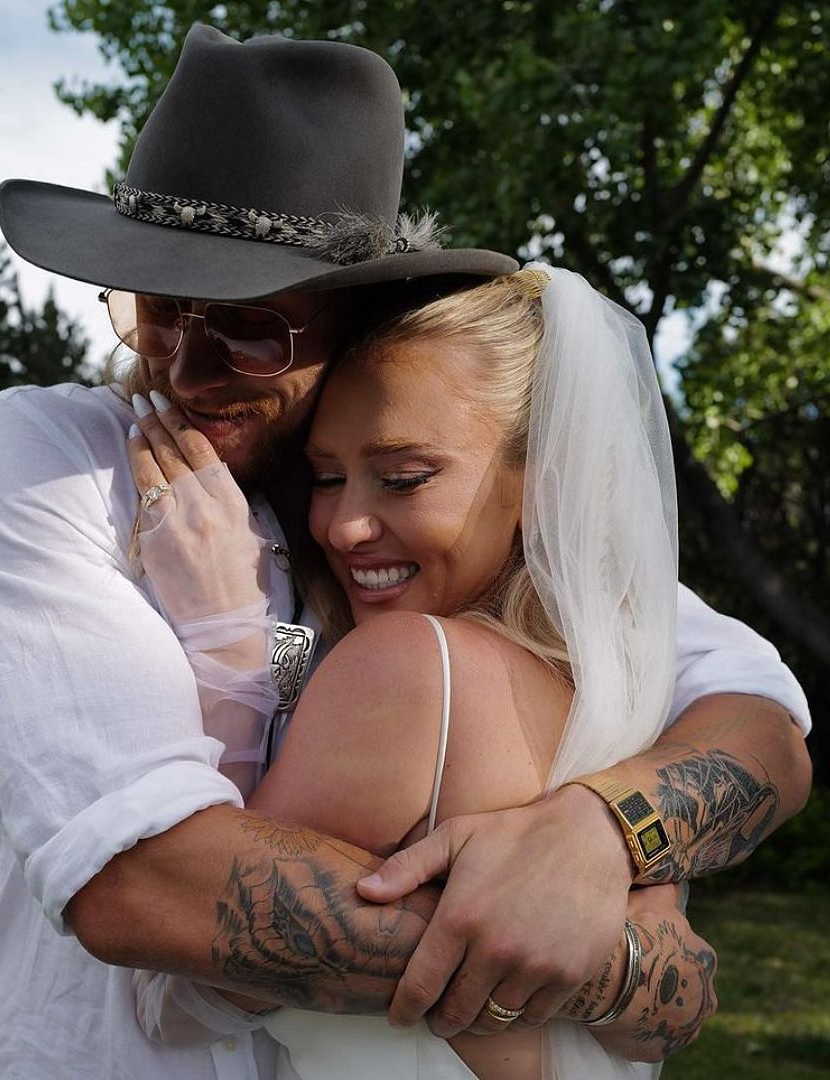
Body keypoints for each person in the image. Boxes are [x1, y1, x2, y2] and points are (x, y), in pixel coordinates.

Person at [0, 25, 811, 1078]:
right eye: (156, 310)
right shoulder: (54, 457)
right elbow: (141, 884)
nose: (185, 367)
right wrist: (612, 965)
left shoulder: (436, 507)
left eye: (248, 325)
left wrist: (598, 829)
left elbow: (761, 728)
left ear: (351, 324)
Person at [126, 266, 716, 1077]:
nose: (343, 525)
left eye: (405, 478)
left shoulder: (405, 669)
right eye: (328, 477)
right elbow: (662, 1017)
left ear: (539, 480)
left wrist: (226, 644)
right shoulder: (630, 695)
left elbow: (174, 997)